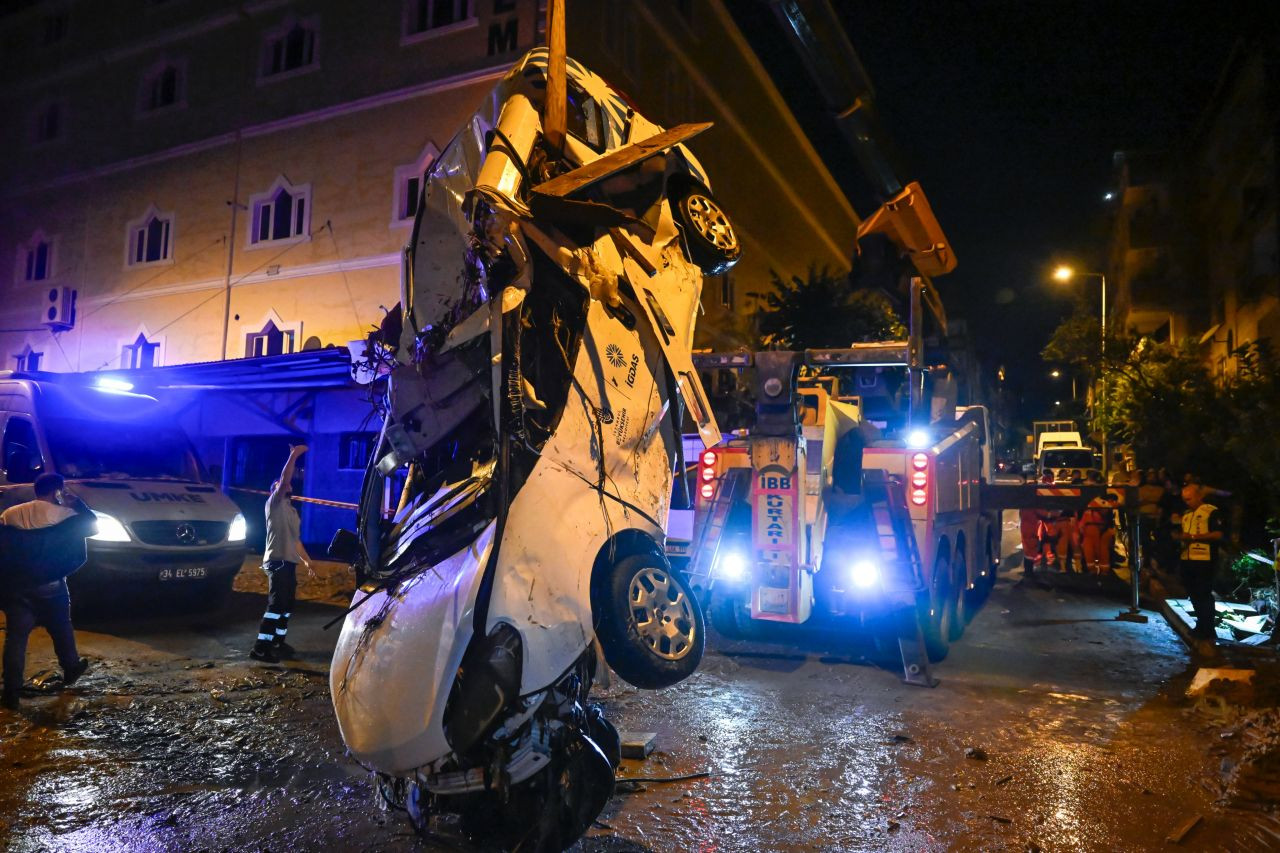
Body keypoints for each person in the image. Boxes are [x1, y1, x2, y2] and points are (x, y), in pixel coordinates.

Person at [1, 473, 94, 710]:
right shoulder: (66, 515)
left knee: (16, 638)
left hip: (16, 586)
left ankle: (11, 691)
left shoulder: (10, 514)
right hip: (51, 584)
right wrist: (78, 504)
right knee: (61, 625)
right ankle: (71, 666)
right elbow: (92, 526)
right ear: (57, 491)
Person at [251, 445, 312, 663]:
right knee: (276, 606)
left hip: (289, 562)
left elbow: (296, 541)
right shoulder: (274, 504)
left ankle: (277, 641)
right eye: (280, 484)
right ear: (274, 490)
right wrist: (293, 455)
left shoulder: (292, 511)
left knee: (286, 606)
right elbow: (285, 478)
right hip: (276, 561)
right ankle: (261, 647)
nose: (286, 484)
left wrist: (308, 561)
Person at [1173, 480, 1223, 653]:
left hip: (1205, 559)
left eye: (1190, 499)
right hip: (1187, 558)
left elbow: (1218, 534)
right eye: (1184, 499)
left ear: (1199, 496)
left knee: (1203, 593)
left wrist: (1194, 537)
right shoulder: (1186, 515)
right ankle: (1200, 626)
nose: (1187, 502)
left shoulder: (1210, 512)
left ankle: (1208, 630)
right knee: (1193, 593)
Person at [1079, 471, 1116, 575]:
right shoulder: (1102, 491)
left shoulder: (1087, 490)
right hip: (1099, 525)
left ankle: (1093, 570)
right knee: (1100, 549)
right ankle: (1101, 570)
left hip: (1096, 526)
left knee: (1092, 549)